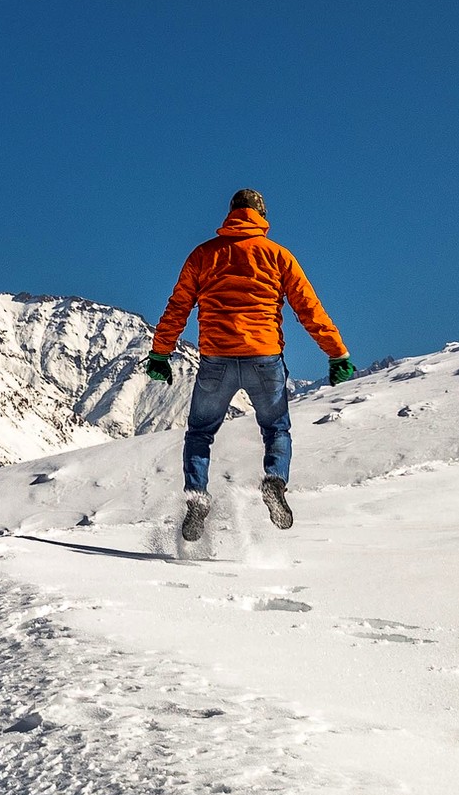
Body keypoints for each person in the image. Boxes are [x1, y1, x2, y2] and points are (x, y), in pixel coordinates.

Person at [145, 189, 356, 542]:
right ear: (261, 214)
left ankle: (197, 496)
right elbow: (309, 309)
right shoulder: (278, 256)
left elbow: (178, 307)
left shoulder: (203, 255)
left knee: (200, 434)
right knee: (276, 430)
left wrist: (160, 353)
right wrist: (337, 353)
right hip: (265, 359)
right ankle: (274, 481)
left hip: (217, 359)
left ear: (231, 214)